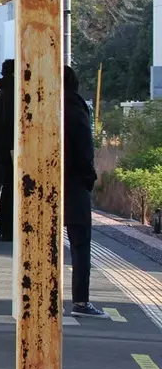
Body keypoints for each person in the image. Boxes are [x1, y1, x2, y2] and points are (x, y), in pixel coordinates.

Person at [63, 65, 108, 319]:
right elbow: (84, 151)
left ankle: (44, 296)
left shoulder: (48, 106)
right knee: (80, 244)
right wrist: (89, 177)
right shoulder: (76, 109)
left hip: (49, 183)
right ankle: (80, 301)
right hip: (75, 186)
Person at [0, 59, 16, 241]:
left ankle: (5, 228)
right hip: (10, 149)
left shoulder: (3, 92)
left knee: (6, 188)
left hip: (2, 148)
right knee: (10, 189)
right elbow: (11, 123)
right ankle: (8, 229)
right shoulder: (13, 92)